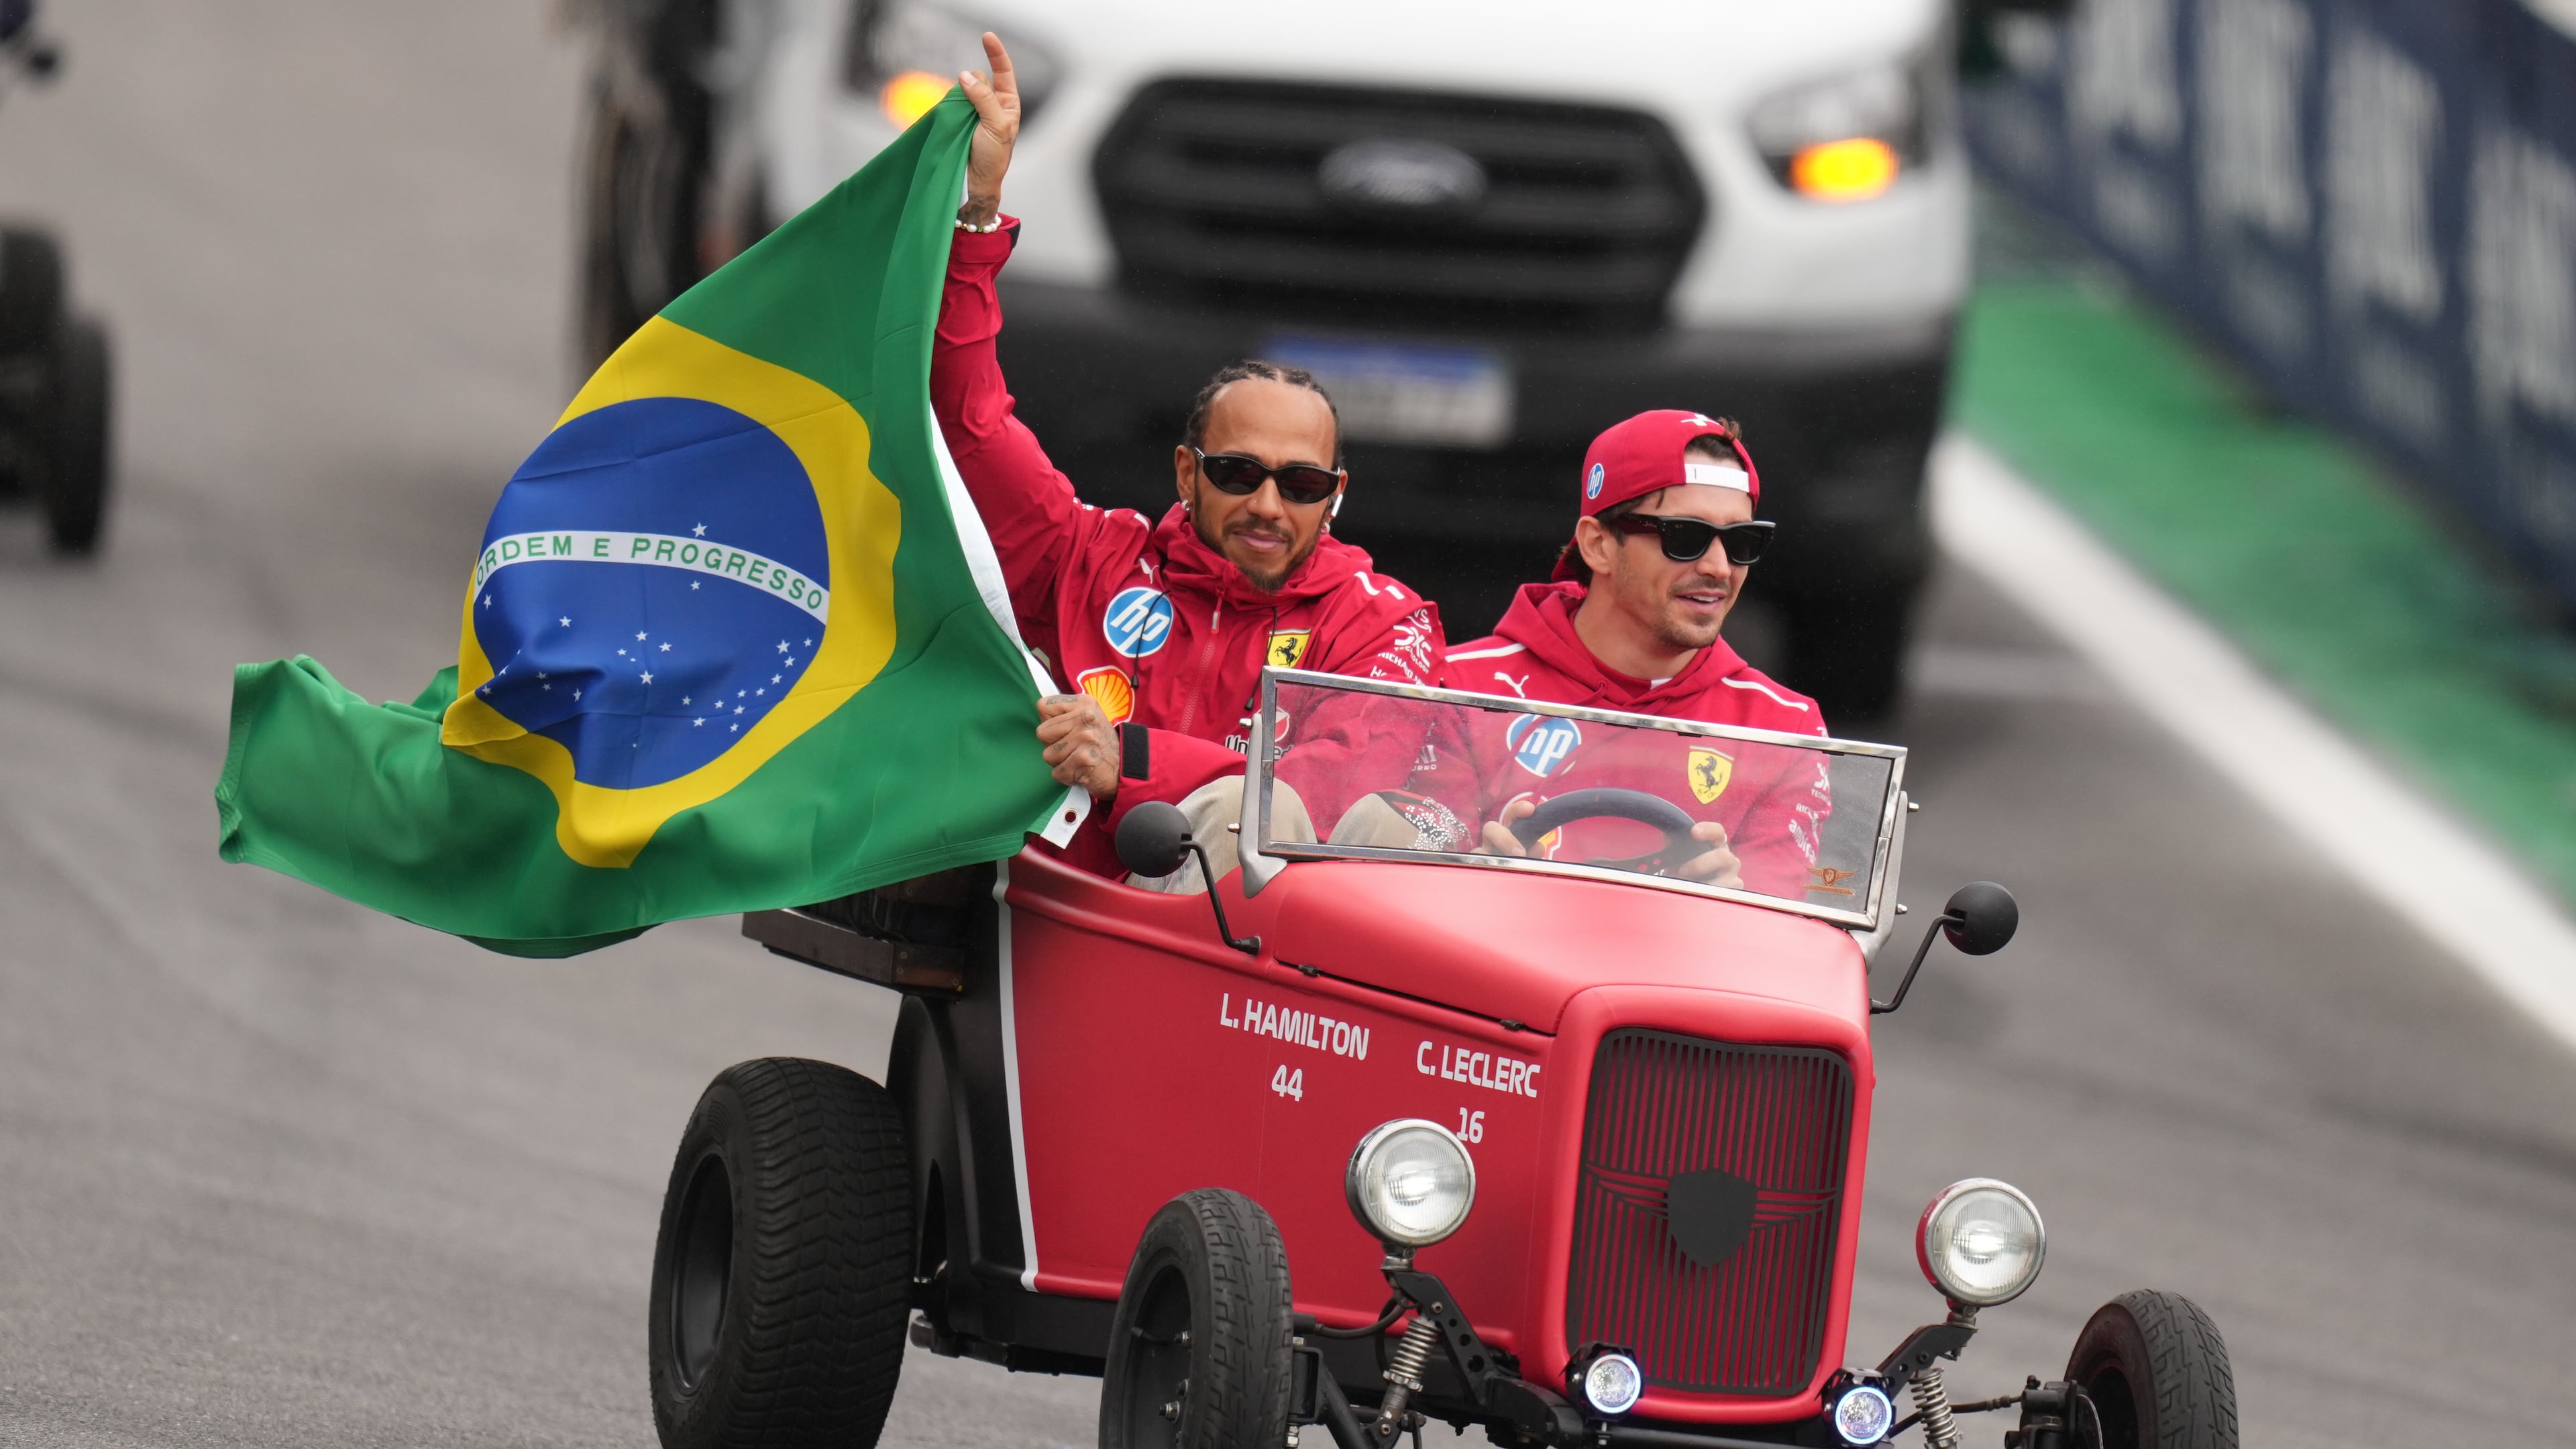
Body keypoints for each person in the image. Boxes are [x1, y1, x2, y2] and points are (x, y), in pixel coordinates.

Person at [943, 36, 1442, 884]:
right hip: (1064, 923)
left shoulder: (1383, 623)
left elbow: (1336, 791)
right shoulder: (1084, 556)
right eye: (1239, 473)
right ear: (1187, 473)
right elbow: (970, 422)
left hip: (1259, 977)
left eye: (1302, 483)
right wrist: (979, 210)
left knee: (1284, 816)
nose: (1268, 506)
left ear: (1335, 496)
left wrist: (1130, 762)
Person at [1401, 409, 1831, 898]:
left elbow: (1787, 932)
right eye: (1685, 538)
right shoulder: (1456, 689)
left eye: (1743, 542)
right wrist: (1468, 876)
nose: (1718, 567)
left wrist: (1734, 900)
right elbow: (1402, 893)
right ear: (1598, 545)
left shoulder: (1785, 728)